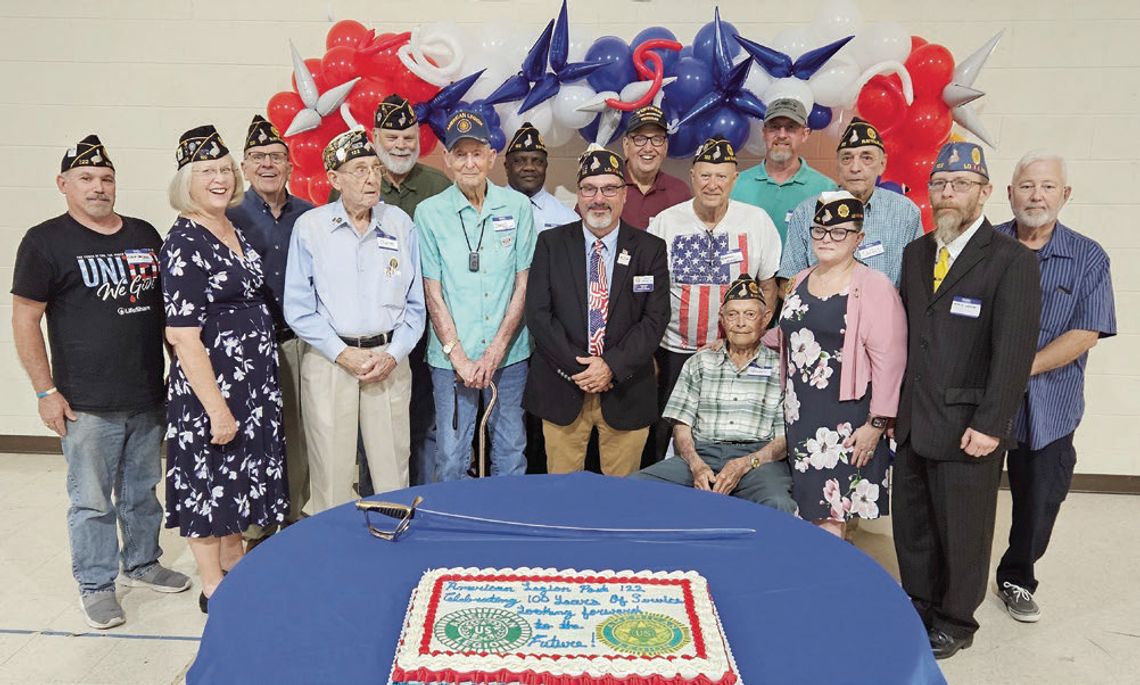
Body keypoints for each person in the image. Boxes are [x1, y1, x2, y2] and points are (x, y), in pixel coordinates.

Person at [11, 135, 190, 629]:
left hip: (147, 394)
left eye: (106, 178)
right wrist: (45, 392)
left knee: (141, 489)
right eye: (86, 179)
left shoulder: (144, 234)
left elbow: (165, 314)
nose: (98, 187)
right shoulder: (44, 241)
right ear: (63, 184)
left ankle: (142, 562)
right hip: (84, 403)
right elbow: (25, 320)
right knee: (91, 501)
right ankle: (96, 584)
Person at [893, 142, 1041, 659]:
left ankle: (956, 619)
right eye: (939, 183)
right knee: (912, 523)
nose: (948, 193)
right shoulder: (916, 254)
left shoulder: (1010, 262)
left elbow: (1014, 352)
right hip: (914, 418)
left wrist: (992, 423)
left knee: (963, 528)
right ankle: (918, 601)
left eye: (960, 184)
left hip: (969, 425)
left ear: (984, 192)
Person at [161, 125, 289, 613]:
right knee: (209, 481)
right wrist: (216, 407)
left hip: (251, 383)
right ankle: (214, 585)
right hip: (212, 386)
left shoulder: (232, 226)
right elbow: (183, 335)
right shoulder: (184, 241)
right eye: (205, 171)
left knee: (237, 478)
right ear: (185, 182)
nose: (218, 178)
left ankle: (235, 567)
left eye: (223, 169)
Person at [992, 151, 1116, 623]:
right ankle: (952, 578)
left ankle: (1017, 578)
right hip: (981, 400)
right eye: (1026, 186)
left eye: (1047, 186)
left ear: (1065, 195)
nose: (1036, 195)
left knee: (1040, 497)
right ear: (1009, 193)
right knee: (967, 492)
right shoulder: (985, 245)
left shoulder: (1088, 257)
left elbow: (1088, 331)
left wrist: (1020, 368)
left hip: (1051, 404)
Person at [283, 129, 425, 511]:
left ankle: (395, 544)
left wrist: (394, 353)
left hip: (388, 361)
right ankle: (333, 557)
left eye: (375, 168)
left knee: (392, 469)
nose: (371, 178)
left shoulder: (399, 224)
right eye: (359, 169)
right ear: (334, 179)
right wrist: (341, 353)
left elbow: (415, 306)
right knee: (330, 470)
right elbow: (297, 306)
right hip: (332, 361)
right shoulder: (311, 228)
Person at [525, 145, 670, 475]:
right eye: (589, 189)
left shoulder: (650, 249)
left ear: (624, 195)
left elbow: (655, 319)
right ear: (578, 195)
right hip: (563, 386)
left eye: (609, 188)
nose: (599, 198)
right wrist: (583, 369)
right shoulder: (551, 244)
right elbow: (538, 313)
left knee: (620, 499)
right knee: (561, 496)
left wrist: (610, 366)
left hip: (627, 389)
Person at [773, 192, 907, 538]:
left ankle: (830, 585)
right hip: (802, 413)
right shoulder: (800, 279)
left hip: (847, 418)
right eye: (819, 231)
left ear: (858, 238)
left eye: (839, 232)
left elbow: (890, 361)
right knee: (807, 505)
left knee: (832, 510)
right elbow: (791, 334)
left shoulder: (874, 286)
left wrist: (876, 424)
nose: (827, 239)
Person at [414, 110, 537, 481]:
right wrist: (460, 358)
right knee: (451, 455)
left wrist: (497, 349)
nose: (469, 163)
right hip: (453, 360)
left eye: (477, 153)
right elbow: (432, 292)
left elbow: (523, 283)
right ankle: (453, 532)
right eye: (460, 154)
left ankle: (506, 529)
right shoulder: (429, 213)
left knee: (511, 452)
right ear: (448, 161)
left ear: (491, 157)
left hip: (509, 356)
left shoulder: (517, 207)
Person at [646, 136, 781, 462]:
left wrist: (752, 337)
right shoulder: (666, 222)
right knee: (667, 431)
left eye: (721, 176)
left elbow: (769, 287)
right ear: (692, 176)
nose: (712, 184)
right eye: (705, 175)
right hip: (674, 351)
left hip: (736, 353)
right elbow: (650, 292)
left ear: (735, 179)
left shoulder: (756, 221)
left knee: (729, 431)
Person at [632, 274, 796, 514]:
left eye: (750, 314)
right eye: (732, 314)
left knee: (778, 503)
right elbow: (682, 427)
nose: (740, 322)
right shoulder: (700, 362)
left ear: (765, 319)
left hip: (758, 461)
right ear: (722, 319)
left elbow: (783, 441)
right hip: (702, 453)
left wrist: (745, 463)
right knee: (636, 487)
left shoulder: (781, 367)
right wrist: (696, 465)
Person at [227, 115, 314, 543]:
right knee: (252, 434)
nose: (267, 164)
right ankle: (255, 522)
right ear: (244, 166)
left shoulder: (311, 216)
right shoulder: (227, 217)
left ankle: (295, 515)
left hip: (298, 341)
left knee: (297, 431)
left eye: (276, 156)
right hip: (246, 347)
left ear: (290, 165)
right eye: (258, 157)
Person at [371, 94, 451, 489]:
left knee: (426, 421)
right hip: (376, 331)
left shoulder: (438, 186)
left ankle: (425, 499)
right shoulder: (357, 184)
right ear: (375, 138)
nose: (401, 145)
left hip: (428, 330)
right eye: (392, 137)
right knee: (374, 427)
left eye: (407, 137)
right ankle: (374, 502)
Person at [780, 118, 922, 287]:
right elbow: (788, 281)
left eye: (866, 158)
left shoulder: (905, 212)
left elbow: (918, 281)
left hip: (884, 311)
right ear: (838, 165)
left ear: (882, 164)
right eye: (847, 158)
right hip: (823, 311)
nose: (855, 168)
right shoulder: (808, 212)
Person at [730, 98, 836, 242]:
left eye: (791, 128)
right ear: (764, 133)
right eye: (774, 127)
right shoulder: (736, 185)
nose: (781, 135)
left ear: (804, 134)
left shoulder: (826, 189)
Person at [620, 105, 691, 229]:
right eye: (640, 139)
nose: (648, 148)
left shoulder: (680, 192)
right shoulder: (605, 188)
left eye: (657, 139)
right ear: (626, 145)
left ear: (665, 146)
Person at [504, 121, 579, 232]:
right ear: (506, 167)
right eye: (519, 161)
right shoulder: (486, 209)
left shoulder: (567, 218)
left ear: (546, 166)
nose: (529, 167)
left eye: (537, 161)